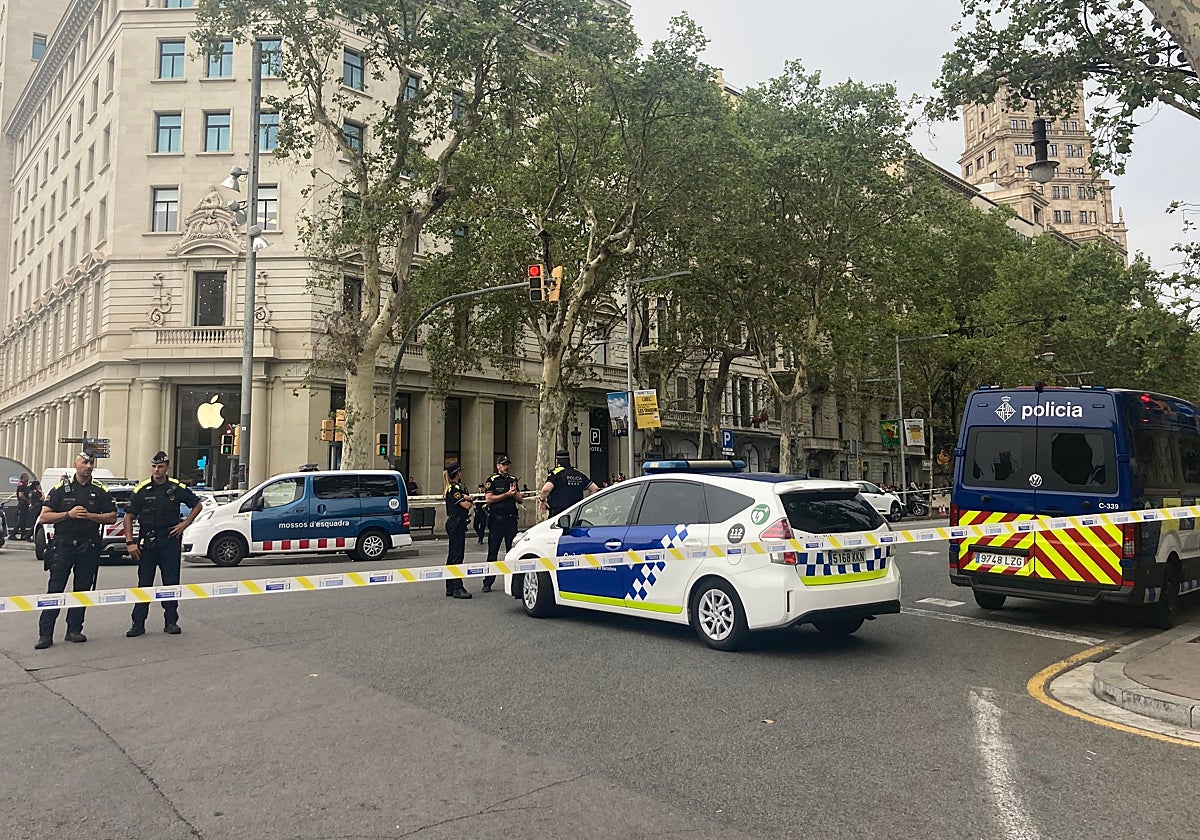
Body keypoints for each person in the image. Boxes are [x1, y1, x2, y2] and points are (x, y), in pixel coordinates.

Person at [34, 452, 118, 650]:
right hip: (63, 546)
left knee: (82, 590)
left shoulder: (100, 490)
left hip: (88, 547)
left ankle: (74, 629)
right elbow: (44, 517)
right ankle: (45, 633)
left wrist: (90, 516)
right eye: (84, 462)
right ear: (76, 465)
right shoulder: (60, 490)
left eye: (90, 463)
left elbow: (112, 517)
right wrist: (68, 514)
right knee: (55, 590)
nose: (88, 466)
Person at [123, 450, 204, 637]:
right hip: (148, 542)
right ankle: (138, 624)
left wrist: (184, 524)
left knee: (171, 583)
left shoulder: (176, 487)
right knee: (144, 583)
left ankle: (171, 622)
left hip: (169, 541)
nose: (156, 470)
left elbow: (197, 505)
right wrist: (130, 542)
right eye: (154, 466)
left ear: (167, 467)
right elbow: (128, 517)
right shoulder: (141, 490)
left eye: (160, 466)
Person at [482, 454, 522, 593]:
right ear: (498, 466)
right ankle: (488, 582)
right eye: (503, 464)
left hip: (510, 520)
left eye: (507, 464)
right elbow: (489, 499)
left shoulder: (512, 479)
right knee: (492, 552)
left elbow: (520, 500)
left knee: (512, 552)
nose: (506, 467)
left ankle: (513, 582)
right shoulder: (492, 480)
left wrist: (514, 493)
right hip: (496, 520)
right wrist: (506, 495)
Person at [442, 462, 473, 599]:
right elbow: (466, 505)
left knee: (452, 555)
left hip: (456, 522)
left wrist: (466, 497)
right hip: (456, 522)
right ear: (457, 473)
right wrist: (470, 500)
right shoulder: (454, 489)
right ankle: (457, 587)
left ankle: (450, 586)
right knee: (456, 555)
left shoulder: (454, 488)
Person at [539, 450, 598, 517]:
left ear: (557, 461)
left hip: (559, 515)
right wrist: (587, 505)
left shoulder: (556, 474)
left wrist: (542, 500)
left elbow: (546, 489)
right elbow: (594, 489)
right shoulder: (579, 474)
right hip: (576, 514)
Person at [14, 473, 30, 540]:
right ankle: (13, 534)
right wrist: (28, 501)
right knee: (21, 520)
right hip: (22, 504)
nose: (28, 478)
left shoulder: (25, 485)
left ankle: (23, 535)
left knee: (23, 520)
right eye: (27, 477)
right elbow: (21, 495)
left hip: (25, 504)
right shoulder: (21, 485)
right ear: (23, 477)